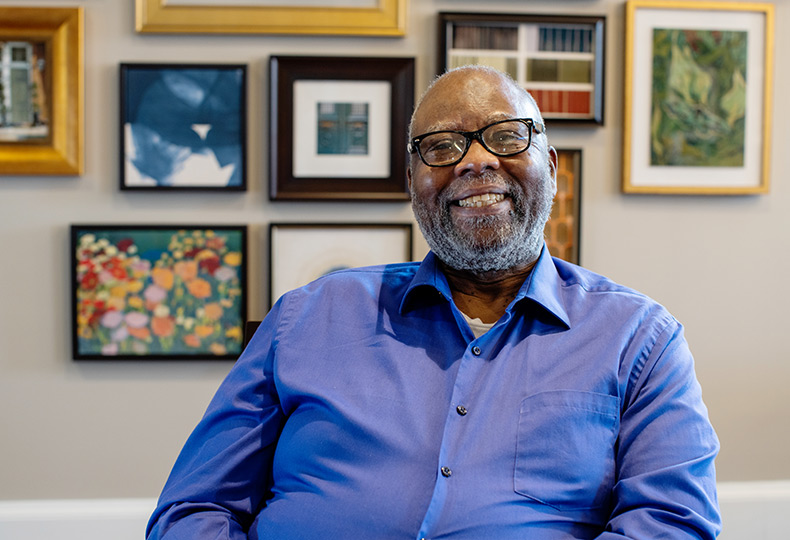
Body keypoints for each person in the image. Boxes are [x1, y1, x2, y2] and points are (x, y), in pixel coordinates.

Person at [146, 65, 721, 539]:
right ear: (413, 183)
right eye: (441, 146)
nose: (475, 161)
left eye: (506, 136)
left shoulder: (640, 339)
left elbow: (673, 524)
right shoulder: (304, 317)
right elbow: (191, 511)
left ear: (550, 167)